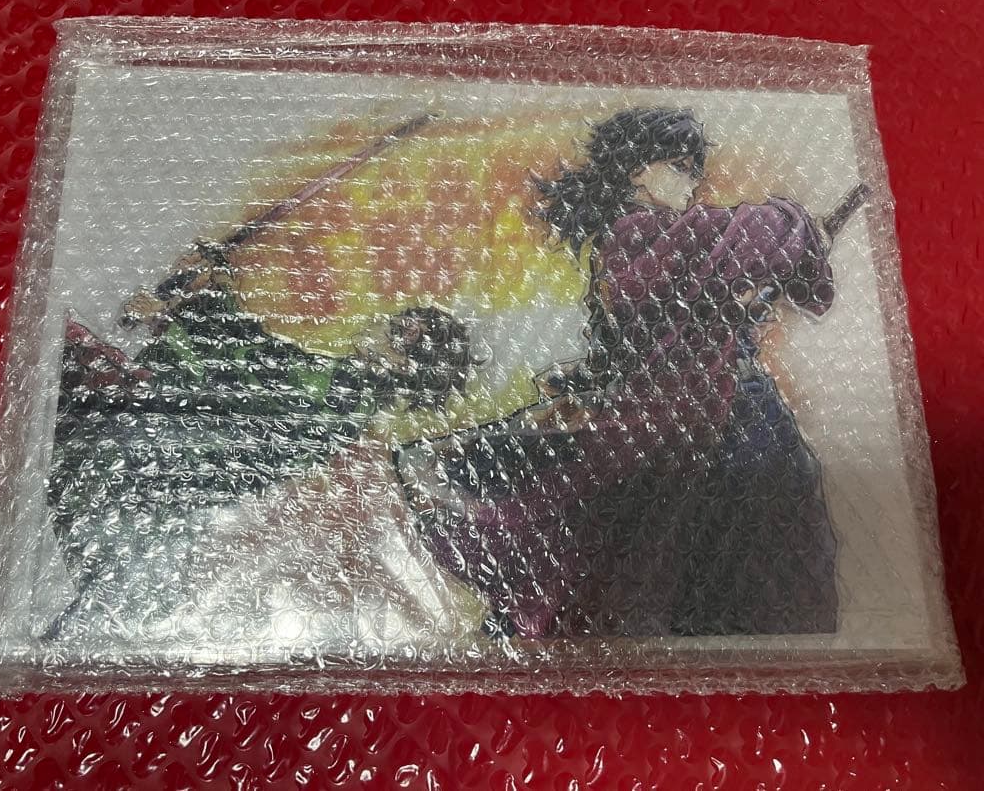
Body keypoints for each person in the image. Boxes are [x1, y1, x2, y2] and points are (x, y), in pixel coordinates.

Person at [396, 107, 840, 639]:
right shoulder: (642, 234)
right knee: (739, 552)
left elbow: (638, 341)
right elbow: (760, 232)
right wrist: (797, 221)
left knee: (710, 551)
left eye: (694, 171)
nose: (690, 184)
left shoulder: (648, 241)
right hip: (712, 416)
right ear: (635, 168)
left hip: (716, 411)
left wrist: (587, 379)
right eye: (678, 167)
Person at [43, 251, 478, 639]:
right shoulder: (347, 397)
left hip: (135, 468)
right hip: (152, 480)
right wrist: (207, 292)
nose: (384, 323)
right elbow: (250, 362)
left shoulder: (341, 395)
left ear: (404, 363)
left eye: (402, 331)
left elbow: (247, 367)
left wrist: (198, 302)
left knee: (48, 355)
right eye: (400, 320)